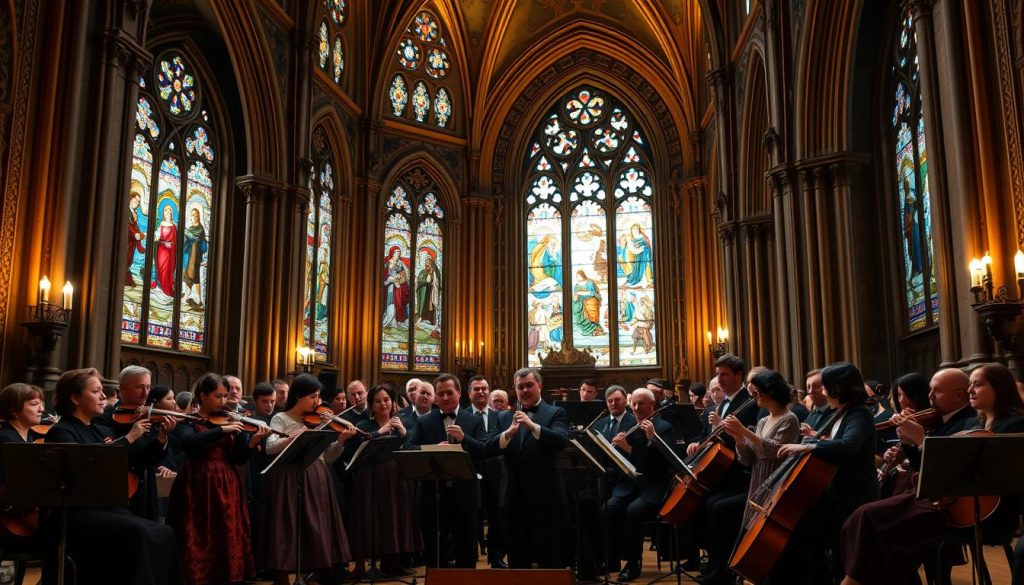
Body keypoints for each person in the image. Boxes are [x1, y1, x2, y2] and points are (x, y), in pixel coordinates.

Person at [840, 363, 1024, 585]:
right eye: (970, 385)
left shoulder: (1015, 425)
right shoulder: (973, 422)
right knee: (863, 516)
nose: (970, 390)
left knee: (876, 522)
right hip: (949, 501)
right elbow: (935, 471)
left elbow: (976, 475)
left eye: (977, 384)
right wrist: (910, 442)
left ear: (999, 388)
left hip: (983, 509)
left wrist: (921, 440)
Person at [44, 368, 184, 585]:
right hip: (74, 511)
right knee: (138, 533)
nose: (103, 396)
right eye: (96, 391)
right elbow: (88, 469)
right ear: (75, 397)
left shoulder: (99, 430)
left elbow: (136, 461)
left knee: (164, 532)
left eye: (102, 391)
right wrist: (129, 437)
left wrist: (161, 438)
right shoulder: (62, 431)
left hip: (106, 507)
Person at [777, 362, 878, 582]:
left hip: (853, 497)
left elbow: (848, 445)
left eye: (826, 386)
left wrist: (809, 446)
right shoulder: (841, 412)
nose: (822, 392)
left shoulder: (859, 413)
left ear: (839, 387)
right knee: (802, 535)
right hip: (833, 496)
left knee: (830, 549)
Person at [166, 373, 268, 585]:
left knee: (226, 533)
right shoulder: (189, 421)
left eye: (225, 396)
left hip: (227, 482)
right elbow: (189, 443)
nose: (224, 402)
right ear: (203, 396)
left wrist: (252, 441)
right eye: (218, 396)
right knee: (198, 533)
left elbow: (238, 458)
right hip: (197, 482)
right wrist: (222, 430)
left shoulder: (231, 420)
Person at [704, 370, 800, 584]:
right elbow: (747, 459)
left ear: (770, 392)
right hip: (757, 481)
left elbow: (774, 451)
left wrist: (744, 432)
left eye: (757, 392)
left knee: (765, 539)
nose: (754, 396)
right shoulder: (764, 420)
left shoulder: (789, 419)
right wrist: (738, 438)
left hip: (775, 481)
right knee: (750, 531)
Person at [261, 375, 354, 585]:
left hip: (317, 477)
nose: (317, 402)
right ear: (298, 396)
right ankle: (283, 577)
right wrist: (295, 435)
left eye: (319, 397)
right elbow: (270, 447)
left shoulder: (318, 421)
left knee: (316, 528)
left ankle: (313, 575)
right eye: (313, 397)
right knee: (287, 526)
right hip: (288, 479)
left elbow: (328, 456)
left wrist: (339, 440)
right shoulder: (281, 418)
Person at [484, 367, 570, 568]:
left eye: (529, 385)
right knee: (517, 559)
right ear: (515, 389)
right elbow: (489, 448)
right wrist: (507, 435)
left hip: (545, 499)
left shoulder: (556, 412)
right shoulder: (504, 417)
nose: (525, 390)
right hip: (513, 498)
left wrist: (532, 426)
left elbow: (560, 441)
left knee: (549, 558)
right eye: (520, 387)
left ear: (539, 385)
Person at [405, 374, 486, 568]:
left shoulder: (473, 420)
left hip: (465, 495)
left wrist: (464, 438)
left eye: (449, 392)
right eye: (440, 394)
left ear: (459, 393)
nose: (445, 397)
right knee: (434, 554)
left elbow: (484, 450)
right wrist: (434, 448)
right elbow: (408, 447)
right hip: (432, 497)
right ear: (435, 397)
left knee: (466, 553)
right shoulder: (425, 421)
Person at [605, 388, 678, 581]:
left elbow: (668, 460)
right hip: (633, 485)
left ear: (652, 405)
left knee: (633, 511)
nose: (637, 408)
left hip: (654, 487)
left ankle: (633, 563)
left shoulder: (663, 427)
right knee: (610, 507)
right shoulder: (632, 427)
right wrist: (621, 448)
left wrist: (652, 437)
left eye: (642, 403)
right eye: (634, 404)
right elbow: (632, 462)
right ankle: (611, 558)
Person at [350, 385, 421, 577]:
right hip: (371, 480)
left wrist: (404, 432)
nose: (383, 404)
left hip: (398, 478)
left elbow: (413, 448)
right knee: (371, 518)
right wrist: (380, 432)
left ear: (393, 402)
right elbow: (356, 451)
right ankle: (363, 564)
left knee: (395, 518)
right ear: (371, 405)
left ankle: (393, 562)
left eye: (387, 399)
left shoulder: (404, 422)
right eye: (378, 401)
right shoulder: (364, 426)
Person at [99, 365, 176, 521]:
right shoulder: (106, 416)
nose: (145, 393)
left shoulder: (149, 415)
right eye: (139, 387)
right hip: (120, 483)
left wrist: (161, 438)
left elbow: (151, 458)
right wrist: (132, 434)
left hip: (146, 485)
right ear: (123, 389)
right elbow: (108, 454)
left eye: (148, 387)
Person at [0, 383, 46, 558]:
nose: (42, 409)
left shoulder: (31, 437)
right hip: (12, 516)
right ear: (14, 410)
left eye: (41, 403)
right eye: (34, 404)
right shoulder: (7, 439)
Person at [467, 376, 506, 567]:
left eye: (484, 388)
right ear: (469, 393)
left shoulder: (500, 416)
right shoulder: (463, 416)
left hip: (495, 472)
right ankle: (468, 556)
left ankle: (496, 557)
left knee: (496, 517)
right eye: (477, 389)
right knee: (470, 516)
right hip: (470, 472)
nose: (481, 392)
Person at [181, 207, 207, 307]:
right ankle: (188, 295)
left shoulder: (200, 229)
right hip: (188, 256)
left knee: (195, 277)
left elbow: (199, 241)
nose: (194, 216)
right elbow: (185, 242)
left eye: (196, 214)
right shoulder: (190, 229)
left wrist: (187, 233)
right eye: (193, 214)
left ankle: (199, 300)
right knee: (188, 275)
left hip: (195, 257)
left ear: (198, 216)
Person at [383, 246, 410, 328]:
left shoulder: (401, 263)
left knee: (398, 302)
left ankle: (396, 320)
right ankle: (389, 319)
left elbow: (405, 275)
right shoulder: (387, 263)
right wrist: (390, 279)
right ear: (393, 253)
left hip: (399, 287)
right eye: (396, 251)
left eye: (399, 251)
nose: (398, 253)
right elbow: (384, 276)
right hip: (390, 286)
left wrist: (399, 277)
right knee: (390, 301)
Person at [153, 203, 177, 296]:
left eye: (169, 212)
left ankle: (167, 289)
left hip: (169, 251)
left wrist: (171, 244)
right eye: (166, 212)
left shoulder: (173, 227)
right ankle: (162, 286)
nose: (168, 214)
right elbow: (157, 238)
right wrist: (157, 238)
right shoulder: (161, 225)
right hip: (161, 250)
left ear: (172, 214)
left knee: (167, 269)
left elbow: (174, 241)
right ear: (163, 214)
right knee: (161, 267)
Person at [572, 270, 604, 336]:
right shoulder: (576, 285)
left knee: (590, 306)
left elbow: (593, 293)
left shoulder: (589, 283)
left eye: (579, 276)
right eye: (577, 277)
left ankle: (594, 329)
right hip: (579, 301)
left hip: (590, 299)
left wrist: (582, 293)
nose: (578, 278)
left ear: (582, 276)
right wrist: (577, 295)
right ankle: (586, 329)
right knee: (575, 307)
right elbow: (575, 295)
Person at [126, 192, 145, 286]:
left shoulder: (135, 212)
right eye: (136, 201)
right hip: (126, 239)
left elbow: (135, 226)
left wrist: (140, 234)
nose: (137, 204)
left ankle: (127, 279)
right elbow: (128, 225)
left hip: (132, 241)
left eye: (138, 202)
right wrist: (136, 234)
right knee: (125, 258)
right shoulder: (126, 210)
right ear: (131, 198)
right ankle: (127, 279)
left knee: (129, 259)